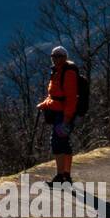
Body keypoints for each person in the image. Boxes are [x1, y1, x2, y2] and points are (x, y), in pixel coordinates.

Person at [37, 45, 78, 185]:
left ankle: (60, 177)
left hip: (64, 115)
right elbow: (53, 96)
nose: (55, 59)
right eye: (53, 56)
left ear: (65, 57)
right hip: (59, 113)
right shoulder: (57, 72)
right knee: (64, 143)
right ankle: (66, 175)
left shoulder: (68, 73)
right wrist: (44, 105)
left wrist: (66, 119)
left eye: (59, 56)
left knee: (57, 143)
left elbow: (71, 98)